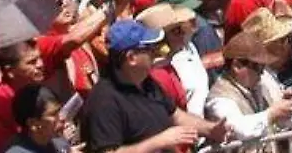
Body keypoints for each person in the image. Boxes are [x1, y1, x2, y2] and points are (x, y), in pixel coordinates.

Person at [80, 20, 225, 153]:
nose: (157, 51)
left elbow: (176, 116)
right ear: (131, 58)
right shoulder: (104, 100)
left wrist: (211, 129)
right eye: (149, 48)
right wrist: (158, 142)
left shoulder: (147, 83)